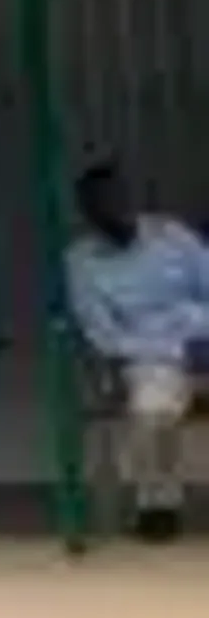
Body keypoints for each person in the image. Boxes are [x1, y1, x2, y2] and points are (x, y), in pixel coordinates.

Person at [61, 160, 206, 545]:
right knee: (150, 412)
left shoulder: (173, 236)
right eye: (98, 204)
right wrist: (170, 348)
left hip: (202, 339)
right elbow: (104, 335)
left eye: (115, 197)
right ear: (87, 212)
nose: (111, 208)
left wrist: (197, 340)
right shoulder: (81, 261)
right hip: (154, 358)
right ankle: (158, 504)